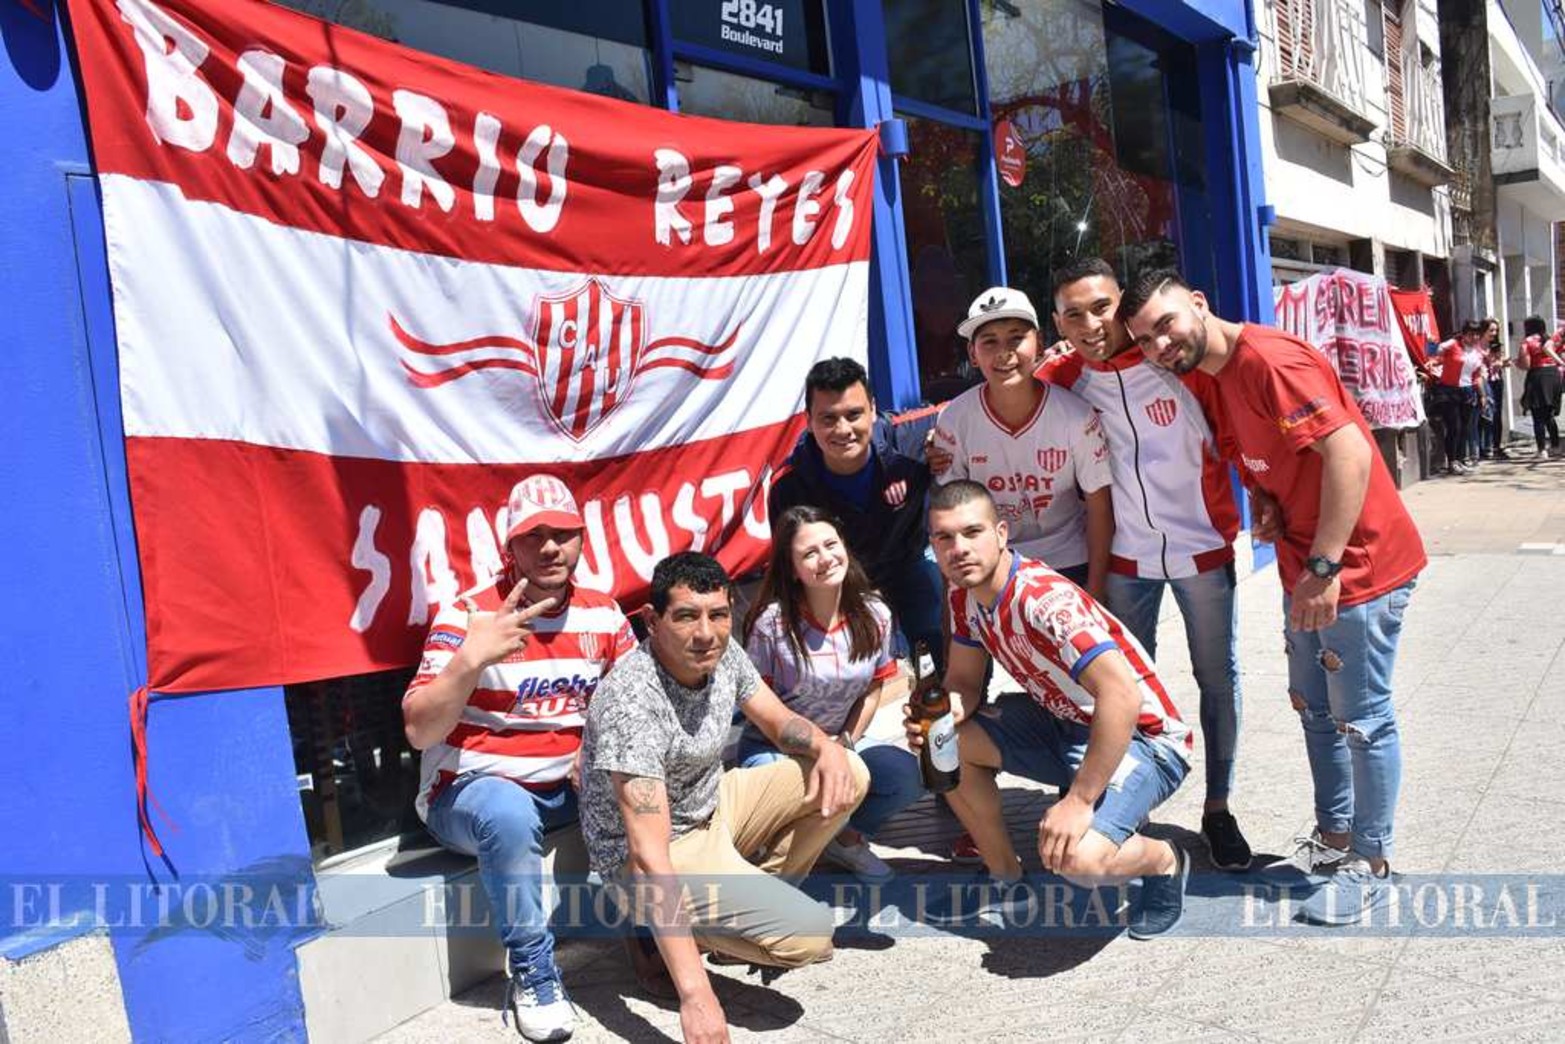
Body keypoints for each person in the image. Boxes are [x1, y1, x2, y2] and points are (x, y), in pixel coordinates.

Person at [1121, 268, 1427, 926]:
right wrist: (1266, 500)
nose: (1159, 345)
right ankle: (1335, 839)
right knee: (1314, 710)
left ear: (1198, 301)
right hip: (1304, 566)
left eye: (1165, 324)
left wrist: (1324, 565)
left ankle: (1371, 862)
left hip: (1354, 567)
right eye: (1144, 339)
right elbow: (1268, 457)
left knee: (1362, 720)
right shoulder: (1209, 375)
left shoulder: (1269, 361)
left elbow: (1349, 455)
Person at [579, 552, 869, 1043]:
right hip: (654, 853)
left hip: (714, 804)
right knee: (810, 936)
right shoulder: (632, 702)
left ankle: (737, 915)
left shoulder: (720, 650)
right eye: (685, 616)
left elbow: (777, 721)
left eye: (717, 614)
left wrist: (825, 746)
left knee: (850, 774)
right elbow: (649, 856)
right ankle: (656, 938)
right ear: (652, 620)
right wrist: (696, 995)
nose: (705, 633)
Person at [402, 474, 637, 1042]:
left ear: (582, 539)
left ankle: (667, 932)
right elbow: (418, 730)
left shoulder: (603, 614)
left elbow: (636, 709)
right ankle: (534, 974)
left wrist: (596, 749)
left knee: (645, 781)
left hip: (564, 790)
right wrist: (471, 660)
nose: (550, 547)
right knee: (507, 813)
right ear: (510, 546)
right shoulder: (468, 616)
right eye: (534, 536)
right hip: (471, 792)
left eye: (563, 533)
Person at [1036, 256, 1251, 871]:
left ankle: (1218, 808)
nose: (1090, 325)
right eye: (1074, 315)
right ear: (1058, 322)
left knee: (1217, 680)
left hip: (1201, 549)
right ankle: (1129, 806)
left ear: (1122, 306)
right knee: (1119, 689)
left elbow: (1238, 433)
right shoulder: (1063, 377)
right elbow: (1011, 398)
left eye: (1101, 308)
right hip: (1125, 558)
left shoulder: (1177, 365)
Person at [905, 481, 1192, 938]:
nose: (959, 549)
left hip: (1144, 738)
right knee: (941, 745)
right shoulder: (964, 594)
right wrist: (941, 716)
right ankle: (1006, 879)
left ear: (1001, 533)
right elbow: (963, 683)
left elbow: (1121, 696)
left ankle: (1164, 861)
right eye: (944, 537)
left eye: (972, 532)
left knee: (1078, 860)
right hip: (1060, 722)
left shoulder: (1043, 601)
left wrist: (1078, 801)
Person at [740, 506, 926, 881]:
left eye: (831, 545)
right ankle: (819, 847)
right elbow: (758, 702)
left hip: (842, 740)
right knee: (801, 785)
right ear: (793, 569)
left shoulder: (876, 613)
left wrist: (844, 745)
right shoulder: (770, 624)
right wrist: (817, 751)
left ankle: (839, 837)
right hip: (776, 747)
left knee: (905, 777)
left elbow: (874, 687)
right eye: (810, 553)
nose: (825, 558)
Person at [931, 286, 1113, 600]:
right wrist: (955, 603)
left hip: (1068, 561)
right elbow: (951, 514)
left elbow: (1100, 508)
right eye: (989, 341)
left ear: (1039, 343)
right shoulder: (954, 419)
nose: (1004, 352)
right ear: (972, 354)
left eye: (1016, 337)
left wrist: (1095, 590)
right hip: (993, 565)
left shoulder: (1076, 415)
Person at [769, 357, 945, 667]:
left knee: (944, 632)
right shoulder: (789, 486)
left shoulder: (911, 437)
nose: (843, 430)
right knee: (849, 666)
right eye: (828, 419)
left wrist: (945, 440)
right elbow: (791, 571)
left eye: (854, 415)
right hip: (839, 580)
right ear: (808, 420)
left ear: (873, 409)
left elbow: (979, 403)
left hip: (909, 561)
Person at [1424, 321, 1489, 475]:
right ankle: (1452, 461)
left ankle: (1460, 459)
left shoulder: (1478, 353)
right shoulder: (1453, 344)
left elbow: (1477, 376)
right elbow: (1432, 351)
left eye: (1477, 335)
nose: (1474, 338)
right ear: (1463, 334)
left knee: (1465, 427)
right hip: (1448, 391)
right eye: (1470, 334)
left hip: (1467, 391)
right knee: (1454, 427)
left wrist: (1482, 395)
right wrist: (1431, 344)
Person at [1515, 316, 1563, 458]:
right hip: (1553, 374)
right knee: (1549, 414)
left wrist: (1516, 363)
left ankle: (1541, 449)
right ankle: (1555, 446)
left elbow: (1526, 364)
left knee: (1537, 415)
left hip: (1538, 375)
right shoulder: (1549, 339)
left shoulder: (1527, 342)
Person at [1480, 320, 1510, 461]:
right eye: (1491, 330)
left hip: (1496, 380)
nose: (1494, 333)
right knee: (1486, 414)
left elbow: (1501, 360)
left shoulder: (1496, 346)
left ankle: (1496, 445)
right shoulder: (1478, 346)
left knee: (1497, 413)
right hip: (1484, 381)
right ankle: (1485, 446)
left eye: (1496, 330)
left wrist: (1502, 362)